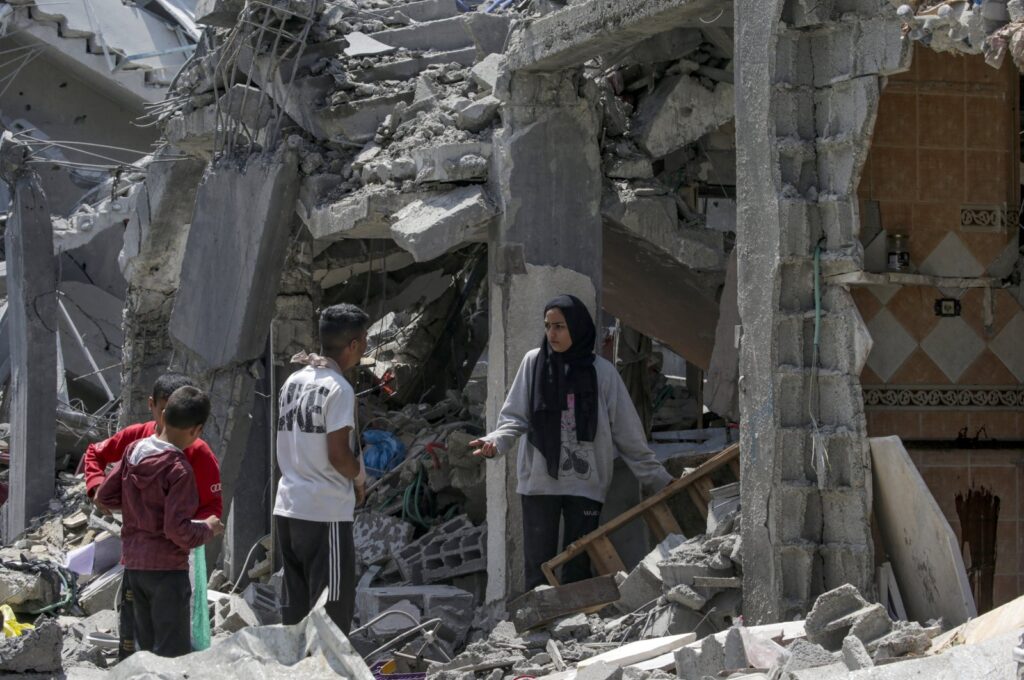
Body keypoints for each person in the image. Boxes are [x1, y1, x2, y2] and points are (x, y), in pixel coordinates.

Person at [470, 294, 674, 590]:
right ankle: (536, 631)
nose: (551, 334)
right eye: (548, 326)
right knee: (538, 566)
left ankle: (571, 628)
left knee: (577, 566)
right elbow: (514, 417)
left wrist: (658, 479)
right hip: (539, 483)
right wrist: (495, 443)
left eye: (559, 327)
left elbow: (629, 435)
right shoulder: (534, 363)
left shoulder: (602, 373)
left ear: (577, 328)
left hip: (586, 484)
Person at [95, 386, 224, 658]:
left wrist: (135, 505)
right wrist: (207, 529)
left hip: (134, 567)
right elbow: (176, 530)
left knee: (142, 649)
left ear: (163, 415)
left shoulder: (133, 451)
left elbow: (105, 495)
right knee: (170, 653)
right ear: (196, 430)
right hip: (167, 571)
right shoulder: (178, 469)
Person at [273, 303, 369, 633]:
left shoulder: (294, 381)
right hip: (324, 512)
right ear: (354, 345)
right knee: (332, 612)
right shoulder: (339, 389)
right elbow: (338, 455)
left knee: (296, 611)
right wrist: (359, 477)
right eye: (365, 340)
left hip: (288, 508)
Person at [81, 373, 222, 521]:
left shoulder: (199, 453)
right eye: (165, 410)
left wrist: (188, 533)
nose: (169, 419)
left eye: (177, 413)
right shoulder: (136, 435)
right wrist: (97, 486)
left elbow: (212, 505)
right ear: (151, 404)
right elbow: (95, 453)